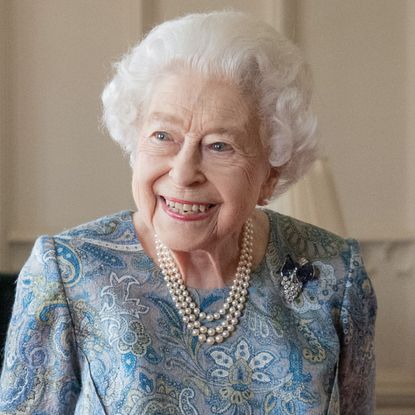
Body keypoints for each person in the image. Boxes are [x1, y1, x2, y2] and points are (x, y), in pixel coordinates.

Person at [0, 11, 376, 415]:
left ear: (270, 174)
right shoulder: (69, 273)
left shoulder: (334, 275)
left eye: (219, 146)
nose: (182, 173)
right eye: (163, 136)